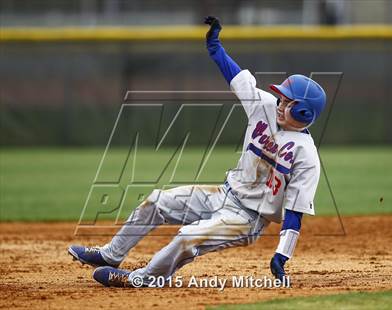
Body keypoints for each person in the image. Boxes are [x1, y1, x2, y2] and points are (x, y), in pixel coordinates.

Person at [68, 16, 326, 288]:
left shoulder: (306, 156)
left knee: (188, 237)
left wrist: (281, 255)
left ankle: (143, 279)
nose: (279, 102)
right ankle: (111, 255)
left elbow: (295, 211)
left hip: (248, 218)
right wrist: (215, 47)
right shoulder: (264, 106)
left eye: (287, 101)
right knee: (157, 201)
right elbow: (237, 77)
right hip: (223, 193)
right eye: (281, 98)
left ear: (303, 111)